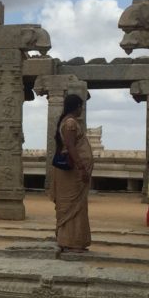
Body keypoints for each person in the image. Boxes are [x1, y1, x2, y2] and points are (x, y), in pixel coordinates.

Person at [51, 94, 93, 252]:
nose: (82, 109)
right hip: (73, 172)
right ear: (76, 106)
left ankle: (74, 240)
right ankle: (69, 241)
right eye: (81, 106)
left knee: (78, 205)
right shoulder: (70, 123)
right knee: (71, 206)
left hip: (74, 171)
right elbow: (70, 146)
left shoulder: (69, 122)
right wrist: (81, 167)